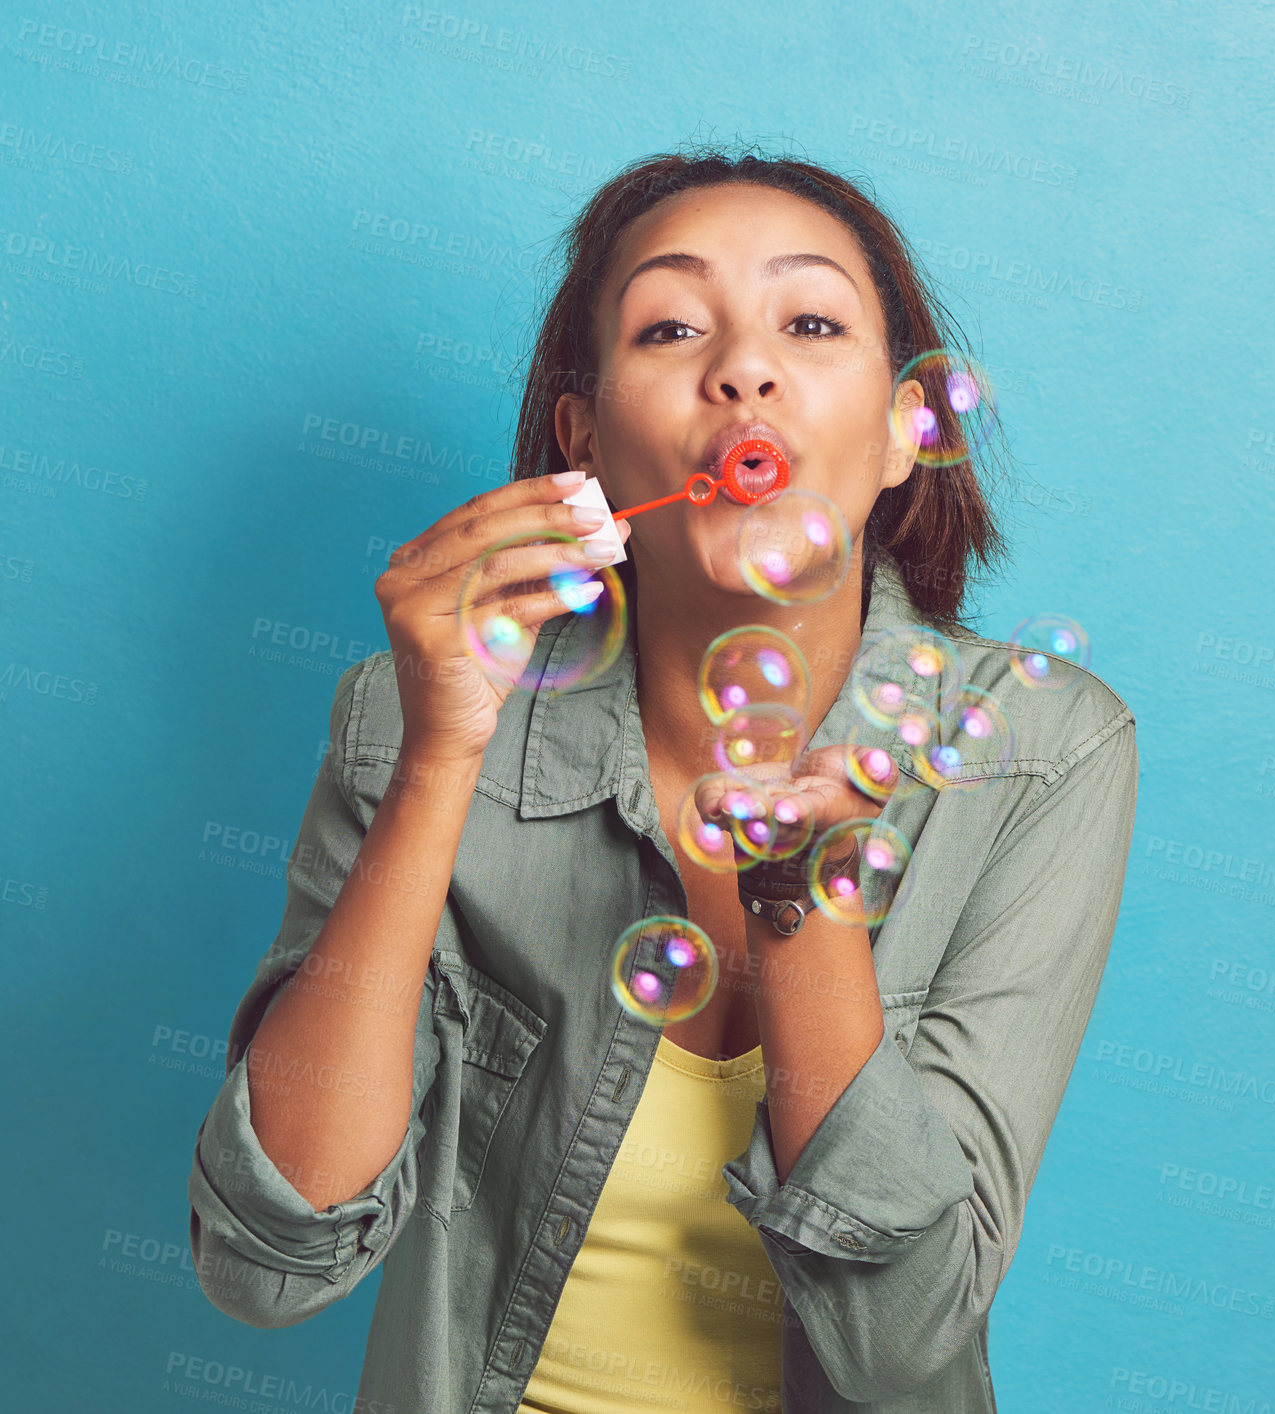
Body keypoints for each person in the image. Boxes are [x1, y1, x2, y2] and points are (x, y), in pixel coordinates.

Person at [188, 143, 1139, 1414]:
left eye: (809, 322)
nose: (742, 368)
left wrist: (802, 900)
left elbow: (902, 1347)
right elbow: (269, 1259)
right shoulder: (413, 713)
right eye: (672, 324)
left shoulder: (1039, 749)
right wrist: (438, 757)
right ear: (584, 443)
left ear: (907, 434)